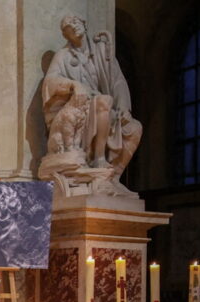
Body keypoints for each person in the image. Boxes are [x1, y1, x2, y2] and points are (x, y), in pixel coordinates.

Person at [40, 15, 142, 192]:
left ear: (84, 24)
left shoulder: (102, 52)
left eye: (76, 22)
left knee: (135, 128)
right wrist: (72, 84)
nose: (74, 26)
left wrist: (124, 107)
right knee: (104, 101)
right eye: (68, 27)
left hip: (105, 110)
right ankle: (98, 159)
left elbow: (117, 81)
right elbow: (50, 81)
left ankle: (113, 178)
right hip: (83, 108)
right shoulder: (63, 56)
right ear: (65, 35)